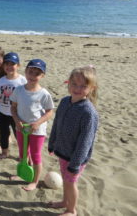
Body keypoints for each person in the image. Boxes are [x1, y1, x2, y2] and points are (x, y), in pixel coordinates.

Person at [48, 66, 99, 216]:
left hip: (76, 158)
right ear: (68, 83)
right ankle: (65, 202)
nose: (77, 88)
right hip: (62, 150)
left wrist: (75, 163)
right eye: (74, 84)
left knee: (71, 183)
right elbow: (57, 124)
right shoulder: (64, 102)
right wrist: (52, 143)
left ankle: (71, 210)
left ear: (91, 88)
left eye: (83, 86)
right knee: (65, 179)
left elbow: (86, 141)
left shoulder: (88, 112)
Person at [10, 59, 54, 191]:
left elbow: (50, 112)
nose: (32, 75)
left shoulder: (44, 94)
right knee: (23, 153)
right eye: (30, 72)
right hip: (21, 128)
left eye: (37, 73)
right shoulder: (18, 90)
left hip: (37, 130)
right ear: (26, 72)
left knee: (35, 155)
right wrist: (17, 120)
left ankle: (34, 181)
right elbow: (13, 107)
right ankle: (24, 173)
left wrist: (37, 123)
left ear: (42, 76)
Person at [0, 52, 27, 159]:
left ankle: (23, 155)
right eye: (7, 64)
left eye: (12, 64)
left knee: (19, 136)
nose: (9, 67)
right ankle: (5, 152)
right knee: (3, 134)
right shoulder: (1, 81)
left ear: (18, 65)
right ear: (3, 66)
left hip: (17, 114)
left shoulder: (23, 81)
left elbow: (27, 98)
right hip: (1, 112)